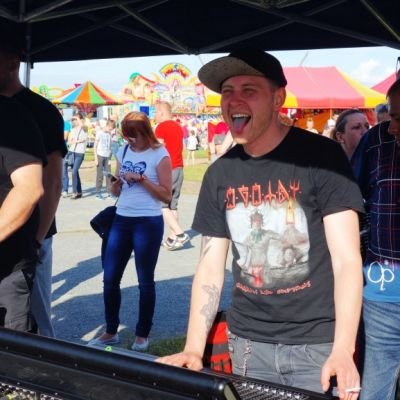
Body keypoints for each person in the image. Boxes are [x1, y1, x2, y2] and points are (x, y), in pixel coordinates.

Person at [158, 48, 364, 398]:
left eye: (249, 90)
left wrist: (343, 349)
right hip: (248, 344)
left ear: (278, 98)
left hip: (317, 343)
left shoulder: (321, 157)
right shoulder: (219, 173)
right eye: (227, 91)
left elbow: (347, 260)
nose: (234, 100)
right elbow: (210, 266)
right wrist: (193, 347)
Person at [0, 31, 67, 337]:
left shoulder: (40, 111)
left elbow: (52, 182)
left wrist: (37, 240)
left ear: (12, 63)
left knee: (36, 322)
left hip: (29, 237)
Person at [88, 111, 172, 352]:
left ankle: (142, 335)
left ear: (145, 133)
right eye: (126, 137)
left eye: (133, 136)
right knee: (110, 278)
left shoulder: (160, 154)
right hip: (121, 219)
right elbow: (115, 191)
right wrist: (115, 184)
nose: (129, 141)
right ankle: (111, 331)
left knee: (145, 281)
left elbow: (167, 195)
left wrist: (142, 179)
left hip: (148, 221)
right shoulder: (124, 151)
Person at [351, 79, 400, 400]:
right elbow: (349, 196)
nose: (391, 127)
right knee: (374, 392)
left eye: (399, 119)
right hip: (382, 294)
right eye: (392, 116)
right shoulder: (376, 140)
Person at [0, 95, 46, 331]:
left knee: (11, 350)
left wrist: (39, 239)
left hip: (6, 268)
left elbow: (29, 189)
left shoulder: (11, 115)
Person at [154, 101, 190, 251]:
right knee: (173, 204)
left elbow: (158, 148)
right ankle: (172, 238)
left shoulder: (161, 127)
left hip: (167, 170)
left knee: (161, 205)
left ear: (162, 113)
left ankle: (180, 234)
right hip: (178, 168)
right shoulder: (177, 126)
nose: (154, 116)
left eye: (155, 112)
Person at [62, 112, 88, 199]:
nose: (74, 121)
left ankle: (74, 192)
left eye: (75, 119)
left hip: (80, 153)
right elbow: (69, 141)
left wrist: (77, 118)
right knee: (75, 172)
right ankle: (79, 191)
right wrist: (77, 141)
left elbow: (82, 127)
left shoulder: (84, 128)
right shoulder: (73, 130)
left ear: (80, 120)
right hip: (72, 152)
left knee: (73, 172)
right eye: (73, 120)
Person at [94, 119, 112, 199]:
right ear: (107, 126)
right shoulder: (99, 133)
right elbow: (95, 146)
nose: (111, 130)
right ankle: (98, 193)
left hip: (107, 156)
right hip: (100, 155)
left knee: (108, 174)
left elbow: (110, 146)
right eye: (110, 128)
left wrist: (110, 158)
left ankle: (109, 192)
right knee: (100, 174)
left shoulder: (109, 134)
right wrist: (96, 158)